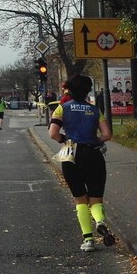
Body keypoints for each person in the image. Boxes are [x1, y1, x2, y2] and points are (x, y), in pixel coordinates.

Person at [49, 74, 116, 252]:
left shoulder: (62, 108)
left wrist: (65, 140)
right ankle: (100, 221)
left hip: (71, 154)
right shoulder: (94, 110)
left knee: (80, 199)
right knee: (96, 197)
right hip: (93, 155)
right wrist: (96, 141)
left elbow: (53, 133)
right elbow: (107, 134)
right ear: (87, 91)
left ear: (70, 90)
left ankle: (88, 240)